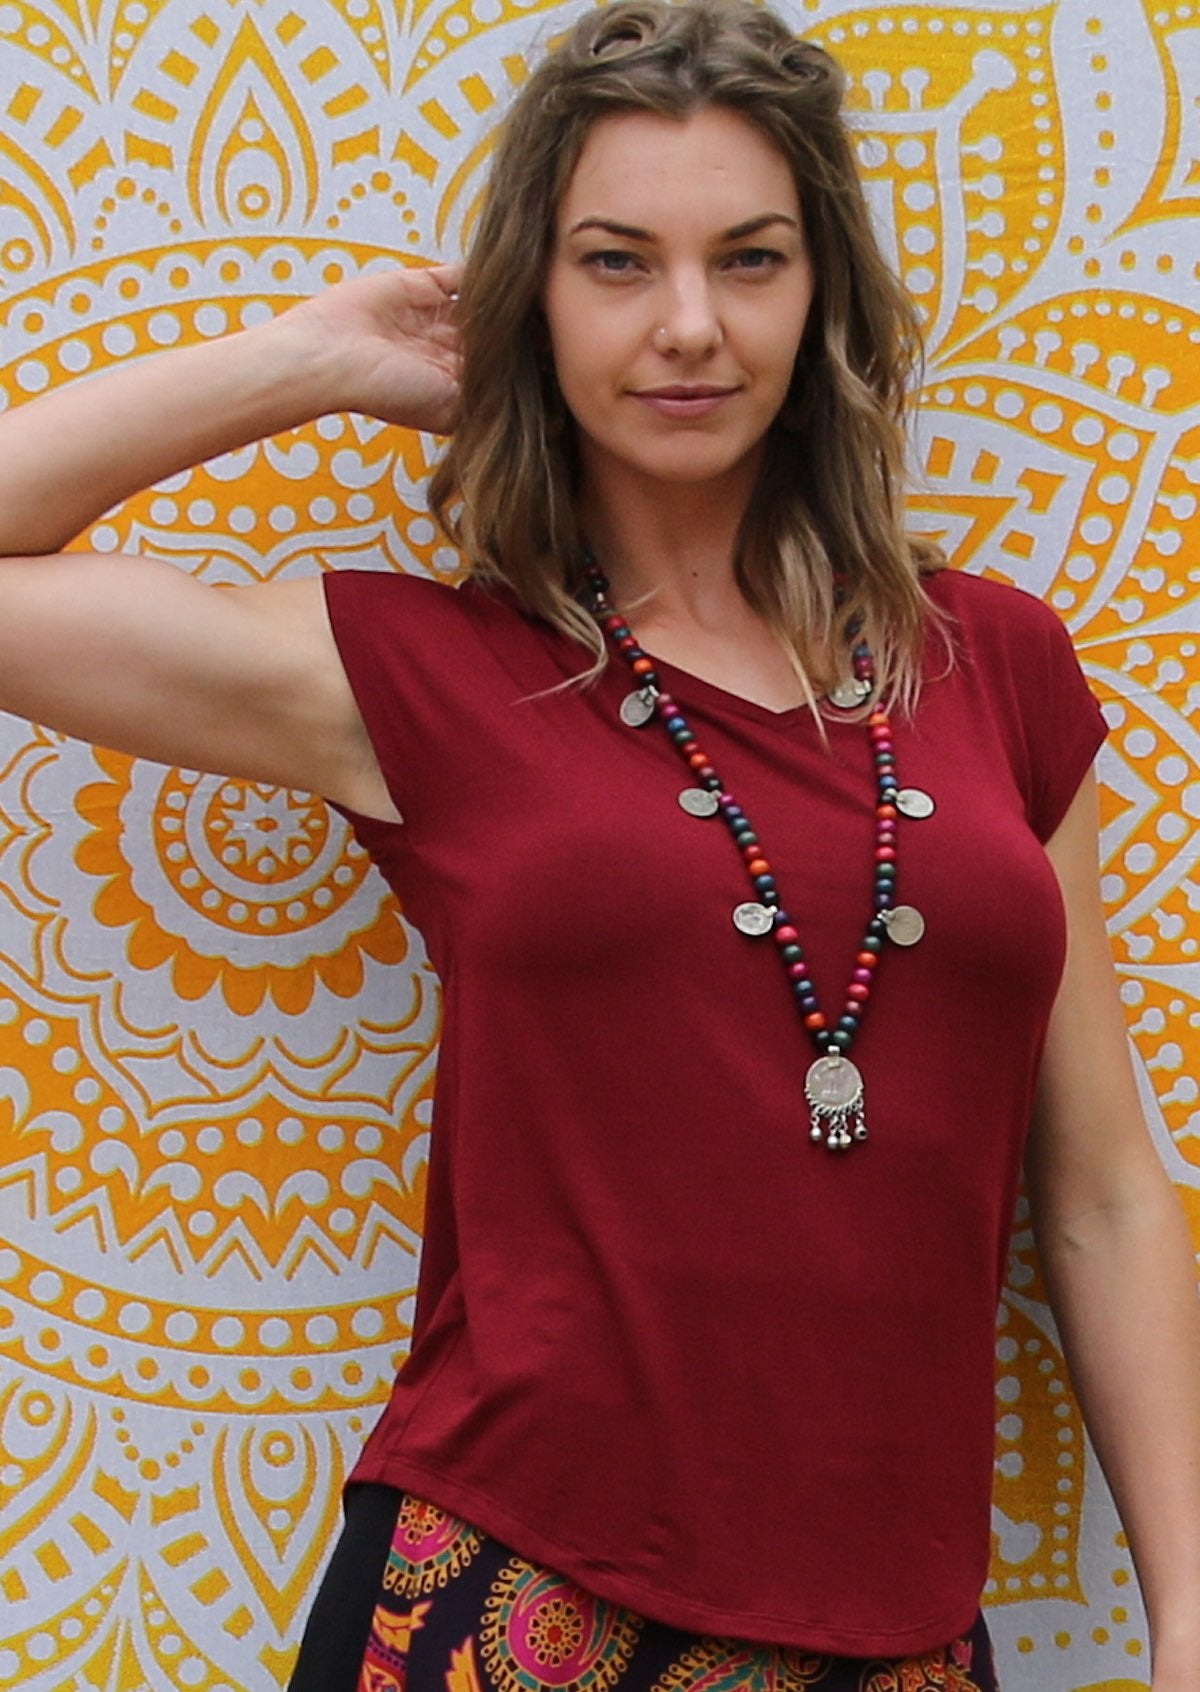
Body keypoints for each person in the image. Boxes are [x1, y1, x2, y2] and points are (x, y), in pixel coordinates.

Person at [1, 2, 1198, 1687]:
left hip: (903, 1630)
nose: (690, 326)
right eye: (618, 263)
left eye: (753, 260)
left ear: (823, 293)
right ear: (535, 301)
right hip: (512, 1599)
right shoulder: (425, 668)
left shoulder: (992, 663)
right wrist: (313, 360)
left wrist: (1190, 1605)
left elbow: (1099, 1199)